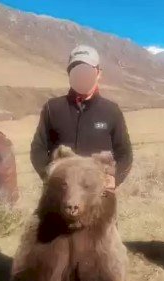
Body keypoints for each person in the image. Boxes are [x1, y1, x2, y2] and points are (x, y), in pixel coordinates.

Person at [30, 45, 133, 189]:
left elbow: (125, 152)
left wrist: (115, 177)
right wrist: (48, 174)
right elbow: (38, 148)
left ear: (98, 73)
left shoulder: (111, 111)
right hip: (59, 195)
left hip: (100, 195)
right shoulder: (52, 108)